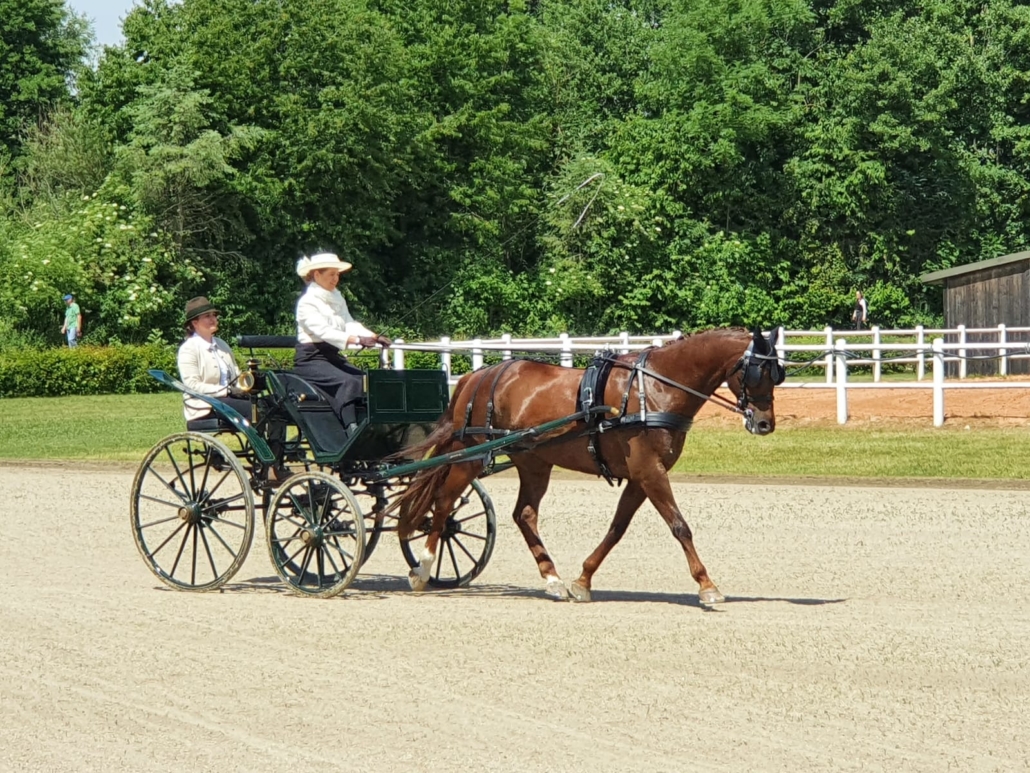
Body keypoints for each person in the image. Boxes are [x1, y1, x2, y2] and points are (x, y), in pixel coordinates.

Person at [294, 253, 392, 427]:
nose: (336, 279)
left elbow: (348, 323)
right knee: (348, 382)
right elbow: (324, 331)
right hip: (311, 359)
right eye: (331, 274)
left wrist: (373, 337)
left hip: (332, 356)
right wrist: (356, 340)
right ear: (317, 275)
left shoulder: (336, 298)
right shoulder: (307, 303)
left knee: (365, 380)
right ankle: (351, 428)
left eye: (337, 274)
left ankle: (373, 425)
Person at [176, 296, 251, 425]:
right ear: (195, 323)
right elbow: (192, 386)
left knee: (272, 406)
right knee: (255, 409)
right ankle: (264, 444)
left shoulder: (222, 345)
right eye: (207, 316)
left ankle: (275, 444)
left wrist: (246, 386)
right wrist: (226, 391)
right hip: (205, 404)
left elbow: (237, 375)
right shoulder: (188, 349)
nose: (213, 319)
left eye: (214, 315)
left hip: (229, 399)